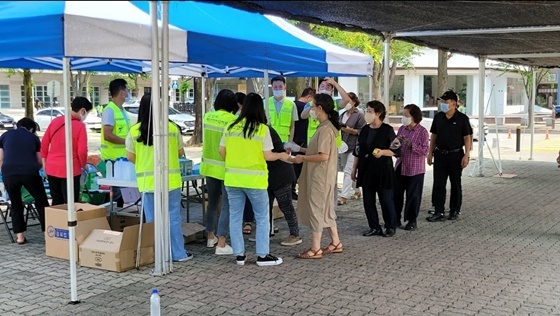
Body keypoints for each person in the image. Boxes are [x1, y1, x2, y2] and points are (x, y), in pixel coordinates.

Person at [219, 92, 288, 266]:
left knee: (235, 217)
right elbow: (267, 155)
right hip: (255, 181)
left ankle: (239, 255)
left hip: (232, 180)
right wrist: (281, 154)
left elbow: (222, 152)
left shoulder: (230, 126)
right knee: (262, 217)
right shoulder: (262, 129)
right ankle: (262, 255)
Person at [126, 94, 192, 262]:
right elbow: (180, 152)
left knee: (153, 220)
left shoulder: (134, 131)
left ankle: (158, 254)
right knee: (173, 217)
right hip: (171, 182)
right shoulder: (171, 128)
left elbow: (130, 156)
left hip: (148, 183)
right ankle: (178, 253)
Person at [291, 93, 343, 259]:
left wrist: (302, 158)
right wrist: (298, 149)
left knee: (317, 210)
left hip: (320, 177)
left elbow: (323, 156)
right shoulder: (324, 127)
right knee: (325, 210)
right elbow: (318, 151)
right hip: (321, 176)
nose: (311, 110)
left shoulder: (326, 129)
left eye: (312, 107)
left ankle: (315, 248)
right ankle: (336, 242)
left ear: (320, 109)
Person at [351, 100, 398, 238]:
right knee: (368, 200)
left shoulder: (387, 130)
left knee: (385, 199)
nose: (367, 113)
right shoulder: (365, 129)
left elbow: (396, 150)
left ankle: (390, 225)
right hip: (366, 169)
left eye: (370, 111)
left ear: (378, 113)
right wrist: (354, 169)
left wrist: (383, 152)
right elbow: (358, 150)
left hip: (383, 170)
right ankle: (374, 226)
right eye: (366, 110)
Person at [200, 89, 238, 254]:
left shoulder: (207, 116)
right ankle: (222, 240)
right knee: (227, 206)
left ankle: (210, 236)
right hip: (225, 167)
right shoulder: (232, 120)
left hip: (208, 166)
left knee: (212, 204)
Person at [0, 118, 49, 244]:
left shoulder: (4, 136)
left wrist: (5, 175)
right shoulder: (33, 138)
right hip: (29, 172)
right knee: (41, 201)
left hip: (9, 173)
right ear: (31, 128)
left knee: (16, 204)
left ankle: (20, 237)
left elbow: (1, 159)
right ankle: (47, 234)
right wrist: (34, 169)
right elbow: (39, 160)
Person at [426, 90, 473, 222]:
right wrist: (430, 153)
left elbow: (467, 138)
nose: (443, 104)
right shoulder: (438, 117)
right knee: (438, 184)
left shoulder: (462, 119)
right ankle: (439, 210)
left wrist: (467, 155)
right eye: (442, 102)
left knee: (455, 183)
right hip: (440, 154)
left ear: (454, 103)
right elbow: (434, 135)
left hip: (456, 155)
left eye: (446, 102)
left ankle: (454, 210)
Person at [41, 97, 92, 205]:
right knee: (71, 203)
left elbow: (44, 143)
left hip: (52, 168)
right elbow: (82, 151)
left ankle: (55, 222)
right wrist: (84, 165)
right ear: (82, 111)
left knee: (56, 201)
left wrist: (44, 161)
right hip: (70, 169)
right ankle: (68, 222)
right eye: (87, 113)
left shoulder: (55, 121)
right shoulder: (80, 126)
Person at [393, 104, 429, 231]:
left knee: (413, 196)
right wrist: (396, 143)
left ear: (414, 117)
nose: (404, 118)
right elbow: (396, 144)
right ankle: (395, 218)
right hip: (401, 165)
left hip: (415, 169)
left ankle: (411, 220)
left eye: (406, 115)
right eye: (403, 115)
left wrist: (411, 145)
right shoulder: (402, 128)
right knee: (396, 194)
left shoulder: (422, 131)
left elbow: (425, 150)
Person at [265, 124, 301, 246]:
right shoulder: (259, 129)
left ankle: (295, 234)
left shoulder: (264, 130)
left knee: (285, 205)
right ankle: (266, 232)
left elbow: (273, 153)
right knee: (265, 206)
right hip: (266, 175)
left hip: (281, 174)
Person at [101, 78, 131, 207]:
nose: (129, 92)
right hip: (113, 161)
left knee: (124, 194)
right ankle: (115, 220)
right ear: (121, 92)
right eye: (127, 90)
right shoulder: (110, 110)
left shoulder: (122, 111)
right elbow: (107, 135)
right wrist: (127, 142)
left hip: (123, 160)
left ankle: (122, 220)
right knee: (117, 194)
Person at [338, 92, 366, 205]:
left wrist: (350, 130)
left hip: (354, 146)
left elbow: (362, 131)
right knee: (347, 169)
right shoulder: (342, 114)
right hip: (343, 146)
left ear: (354, 102)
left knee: (348, 170)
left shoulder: (359, 115)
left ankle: (343, 196)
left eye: (348, 100)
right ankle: (357, 190)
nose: (346, 103)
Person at [291, 87, 315, 200]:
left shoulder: (291, 104)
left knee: (294, 166)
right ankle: (292, 190)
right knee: (298, 168)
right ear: (309, 96)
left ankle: (291, 189)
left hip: (292, 139)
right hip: (302, 140)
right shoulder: (305, 108)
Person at [267, 76, 298, 143]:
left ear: (285, 87)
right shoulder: (265, 103)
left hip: (284, 142)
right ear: (272, 88)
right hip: (268, 141)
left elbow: (292, 126)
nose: (278, 89)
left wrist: (290, 142)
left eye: (280, 87)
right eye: (275, 87)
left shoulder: (291, 104)